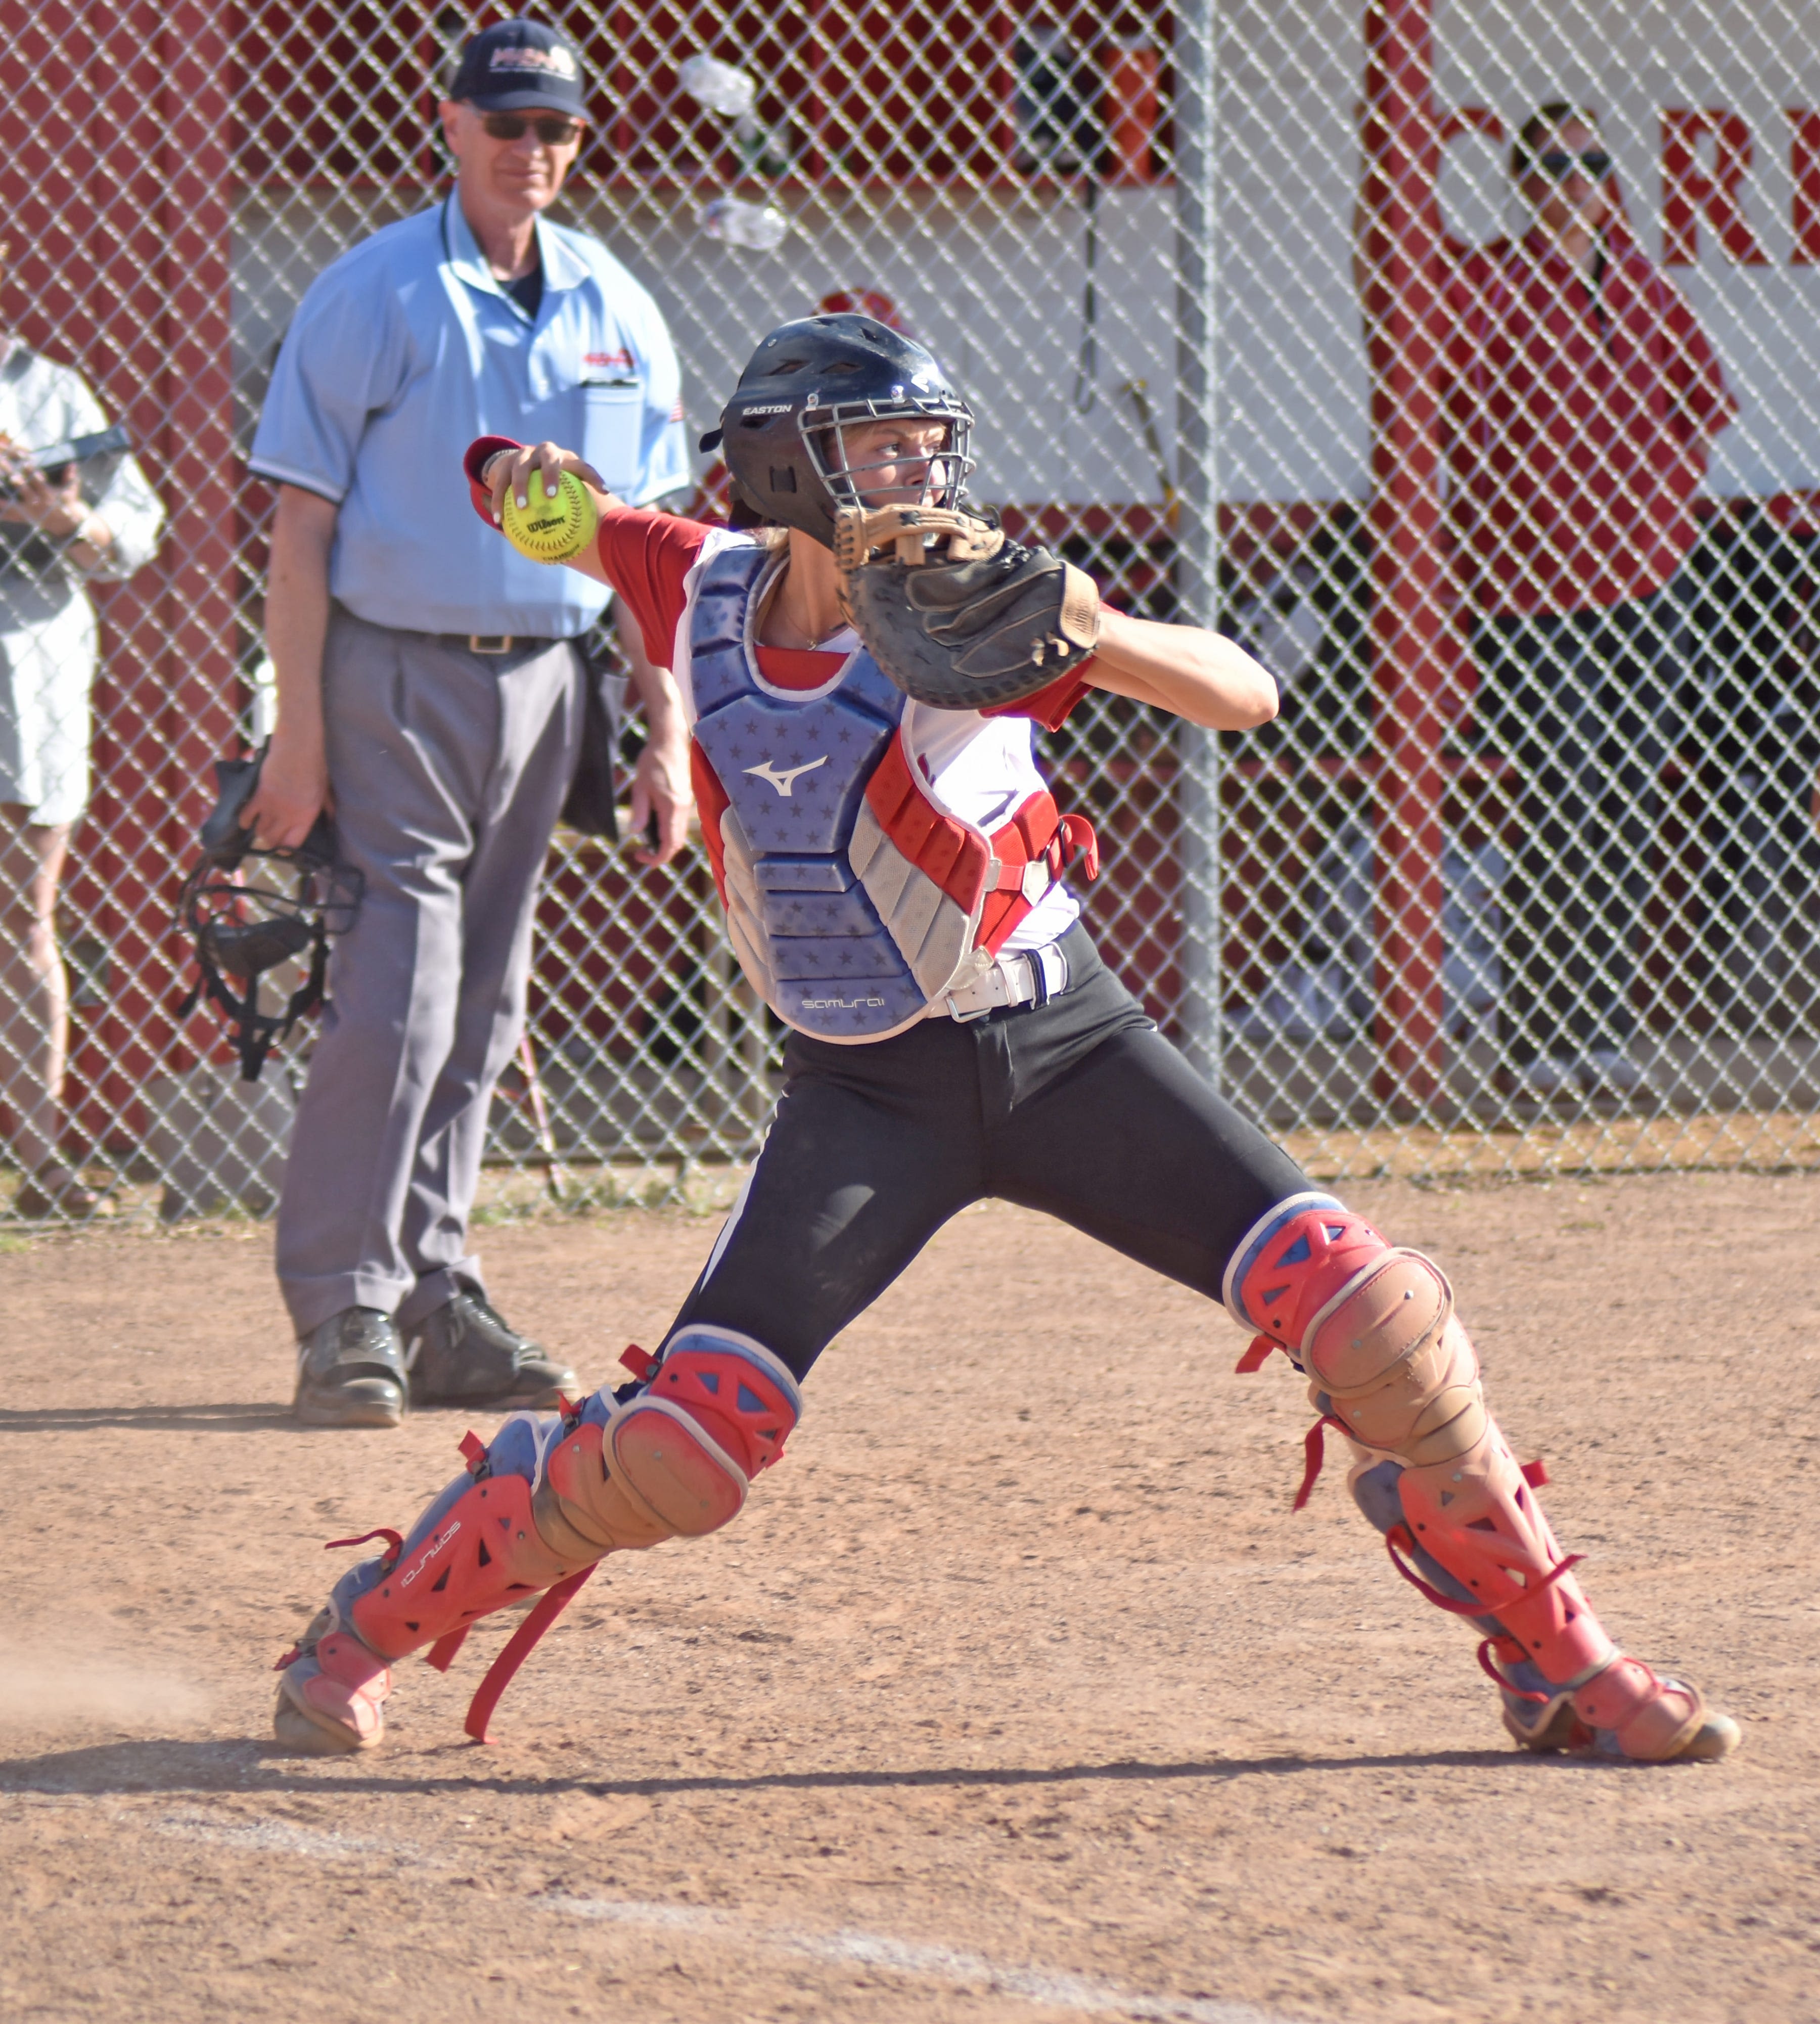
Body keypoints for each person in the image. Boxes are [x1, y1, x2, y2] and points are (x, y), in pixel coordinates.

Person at [270, 312, 1737, 1770]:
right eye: (877, 447)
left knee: (1378, 1320)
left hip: (1063, 1053)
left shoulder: (975, 612)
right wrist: (520, 482)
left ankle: (1567, 1665)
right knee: (684, 1446)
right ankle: (365, 1626)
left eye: (930, 444)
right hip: (865, 1096)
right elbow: (564, 518)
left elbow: (1247, 692)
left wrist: (1084, 623)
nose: (920, 476)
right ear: (783, 466)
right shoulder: (703, 586)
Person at [244, 19, 692, 1428]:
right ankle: (346, 1305)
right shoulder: (379, 288)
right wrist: (297, 736)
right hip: (392, 671)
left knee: (487, 1006)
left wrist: (665, 728)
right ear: (449, 123)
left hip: (550, 682)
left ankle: (434, 1292)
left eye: (554, 127)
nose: (529, 149)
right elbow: (299, 533)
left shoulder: (615, 303)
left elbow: (645, 546)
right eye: (505, 120)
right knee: (407, 984)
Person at [1437, 105, 1735, 1101]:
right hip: (1533, 595)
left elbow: (1707, 401)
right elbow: (1443, 402)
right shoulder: (1492, 282)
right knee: (1562, 800)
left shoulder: (1643, 286)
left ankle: (1602, 1028)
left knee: (1625, 800)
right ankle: (1537, 1040)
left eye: (1592, 162)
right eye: (1552, 164)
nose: (1574, 180)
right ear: (1524, 180)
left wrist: (1657, 511)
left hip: (1647, 585)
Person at [0, 289, 164, 1218]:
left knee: (25, 919)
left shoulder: (52, 394)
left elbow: (134, 536)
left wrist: (60, 517)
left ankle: (40, 1165)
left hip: (27, 680)